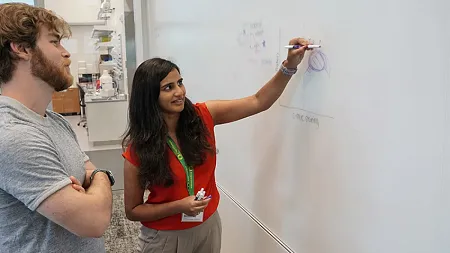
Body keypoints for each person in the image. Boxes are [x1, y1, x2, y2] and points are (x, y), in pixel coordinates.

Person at [122, 37, 311, 253]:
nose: (180, 92)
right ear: (150, 97)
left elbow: (258, 101)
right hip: (165, 237)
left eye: (180, 83)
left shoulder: (203, 116)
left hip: (208, 227)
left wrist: (289, 67)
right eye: (168, 87)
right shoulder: (139, 149)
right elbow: (133, 210)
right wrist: (179, 206)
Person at [0, 3, 115, 252]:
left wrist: (92, 179)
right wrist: (102, 177)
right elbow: (94, 220)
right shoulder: (12, 135)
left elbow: (88, 170)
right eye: (55, 42)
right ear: (21, 49)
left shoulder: (55, 121)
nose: (67, 54)